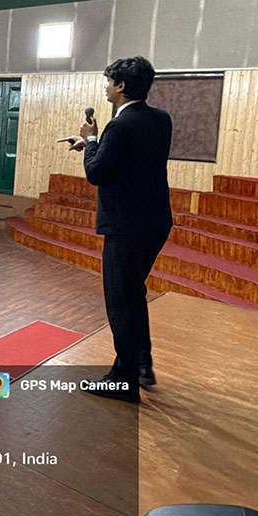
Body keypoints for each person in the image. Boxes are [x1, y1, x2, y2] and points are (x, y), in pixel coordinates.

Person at [63, 56, 172, 404]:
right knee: (133, 295)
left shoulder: (118, 127)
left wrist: (91, 141)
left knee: (120, 302)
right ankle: (140, 366)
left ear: (121, 86)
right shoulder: (160, 120)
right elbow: (133, 160)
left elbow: (96, 173)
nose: (106, 86)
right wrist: (99, 146)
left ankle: (124, 381)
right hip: (156, 222)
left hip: (126, 226)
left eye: (109, 80)